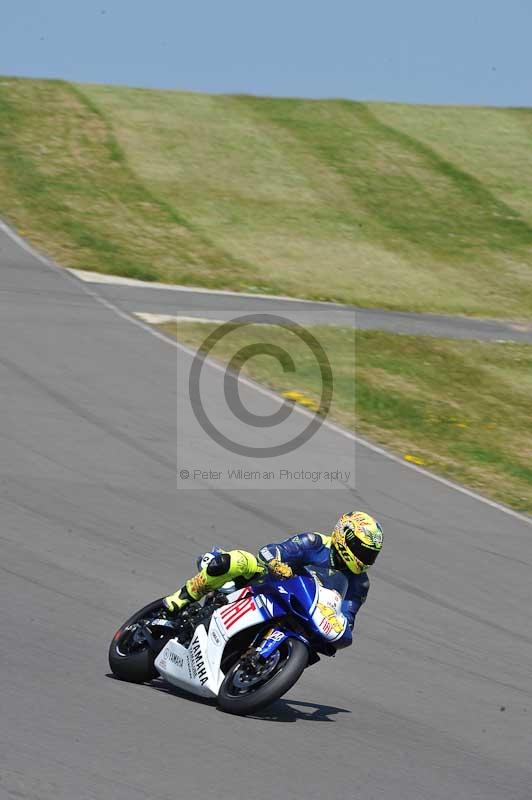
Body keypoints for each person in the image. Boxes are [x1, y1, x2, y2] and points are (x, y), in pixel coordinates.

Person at [163, 511, 383, 648]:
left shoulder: (360, 583)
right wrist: (277, 564)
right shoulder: (314, 542)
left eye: (370, 555)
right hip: (268, 584)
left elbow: (347, 617)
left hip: (303, 613)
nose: (365, 559)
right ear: (344, 536)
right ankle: (180, 599)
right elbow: (270, 551)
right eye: (361, 551)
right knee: (239, 560)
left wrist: (340, 630)